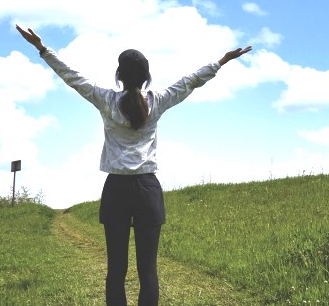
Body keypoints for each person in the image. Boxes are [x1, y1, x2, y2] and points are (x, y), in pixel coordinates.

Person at [16, 24, 252, 306]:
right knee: (147, 270)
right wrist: (221, 61)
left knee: (116, 269)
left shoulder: (105, 99)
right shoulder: (158, 100)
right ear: (146, 76)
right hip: (147, 188)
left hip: (116, 188)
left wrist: (42, 49)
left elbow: (72, 77)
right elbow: (190, 81)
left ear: (119, 75)